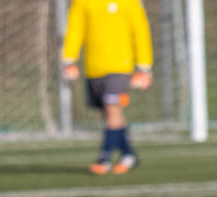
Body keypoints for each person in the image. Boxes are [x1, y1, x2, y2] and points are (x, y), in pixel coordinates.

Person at [60, 0, 153, 175]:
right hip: (94, 68)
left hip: (120, 67)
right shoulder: (82, 2)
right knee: (110, 114)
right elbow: (75, 29)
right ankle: (128, 155)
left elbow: (140, 31)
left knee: (112, 109)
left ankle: (104, 159)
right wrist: (69, 59)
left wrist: (144, 65)